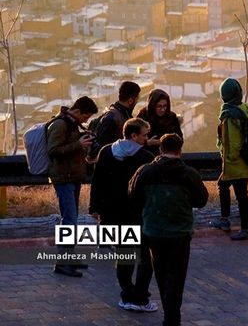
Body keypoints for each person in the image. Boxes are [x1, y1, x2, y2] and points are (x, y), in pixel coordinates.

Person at [129, 134, 208, 326]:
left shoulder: (145, 171)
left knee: (161, 272)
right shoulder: (189, 174)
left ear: (160, 149)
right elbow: (201, 200)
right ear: (180, 150)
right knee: (176, 275)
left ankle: (169, 313)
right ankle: (172, 317)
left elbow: (133, 195)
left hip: (153, 231)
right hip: (180, 233)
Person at [89, 118, 157, 311]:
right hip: (137, 215)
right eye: (144, 135)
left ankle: (127, 295)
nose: (146, 138)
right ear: (134, 135)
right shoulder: (144, 157)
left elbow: (97, 182)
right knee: (145, 257)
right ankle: (141, 298)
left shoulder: (107, 152)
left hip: (113, 213)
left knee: (124, 256)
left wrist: (95, 208)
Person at [47, 96, 98, 277]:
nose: (85, 121)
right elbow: (53, 150)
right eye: (85, 117)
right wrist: (79, 143)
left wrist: (81, 137)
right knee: (69, 222)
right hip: (64, 179)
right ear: (77, 111)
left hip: (72, 177)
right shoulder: (60, 125)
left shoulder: (70, 124)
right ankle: (62, 263)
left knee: (71, 220)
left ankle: (68, 259)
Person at [210, 78, 248, 240]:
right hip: (244, 162)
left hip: (235, 163)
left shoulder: (230, 114)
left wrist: (229, 158)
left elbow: (232, 142)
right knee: (230, 189)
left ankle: (244, 229)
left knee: (240, 195)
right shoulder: (244, 109)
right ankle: (227, 221)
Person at [88, 81, 141, 161]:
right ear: (130, 100)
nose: (137, 102)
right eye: (136, 99)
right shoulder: (112, 117)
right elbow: (104, 147)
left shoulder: (123, 114)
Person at [136, 89, 183, 156]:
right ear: (152, 105)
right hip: (147, 157)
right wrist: (148, 143)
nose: (162, 109)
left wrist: (166, 143)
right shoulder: (142, 117)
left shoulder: (171, 117)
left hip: (168, 157)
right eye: (159, 106)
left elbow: (180, 139)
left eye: (165, 106)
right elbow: (133, 142)